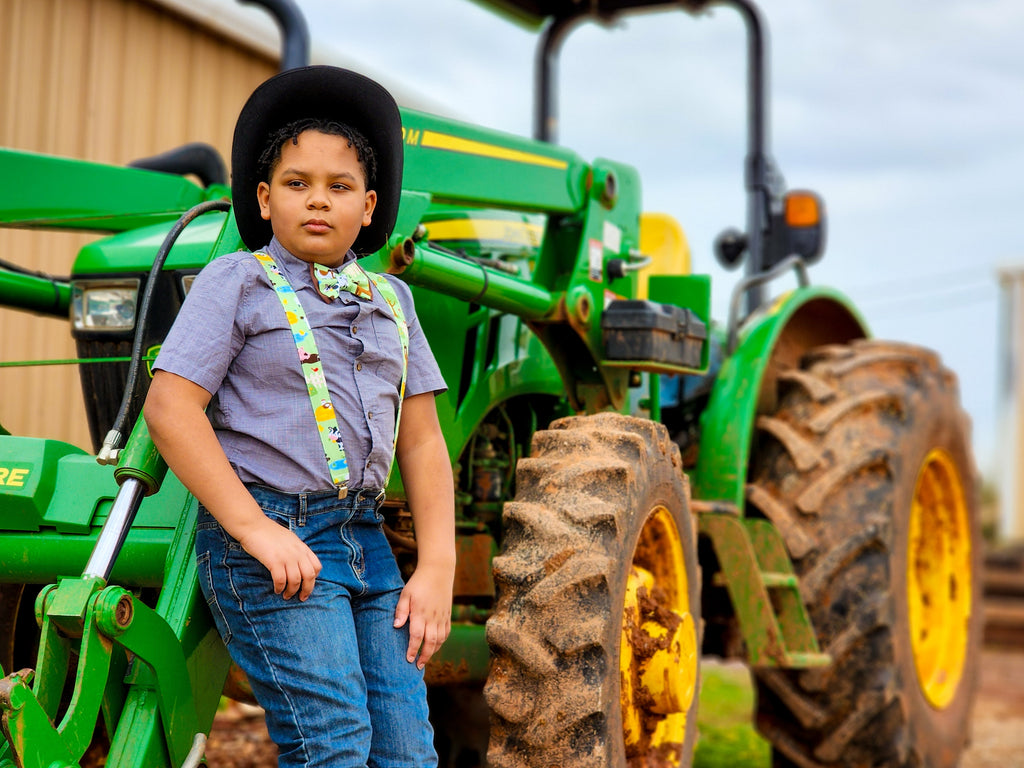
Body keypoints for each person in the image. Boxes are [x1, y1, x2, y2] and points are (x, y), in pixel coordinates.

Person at [144, 65, 455, 768]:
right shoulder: (239, 281)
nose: (318, 201)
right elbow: (170, 407)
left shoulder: (393, 305)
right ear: (264, 196)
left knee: (407, 751)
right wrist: (254, 529)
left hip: (366, 545)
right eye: (297, 184)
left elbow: (424, 440)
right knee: (333, 744)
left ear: (371, 206)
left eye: (339, 187)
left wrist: (437, 565)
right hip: (271, 541)